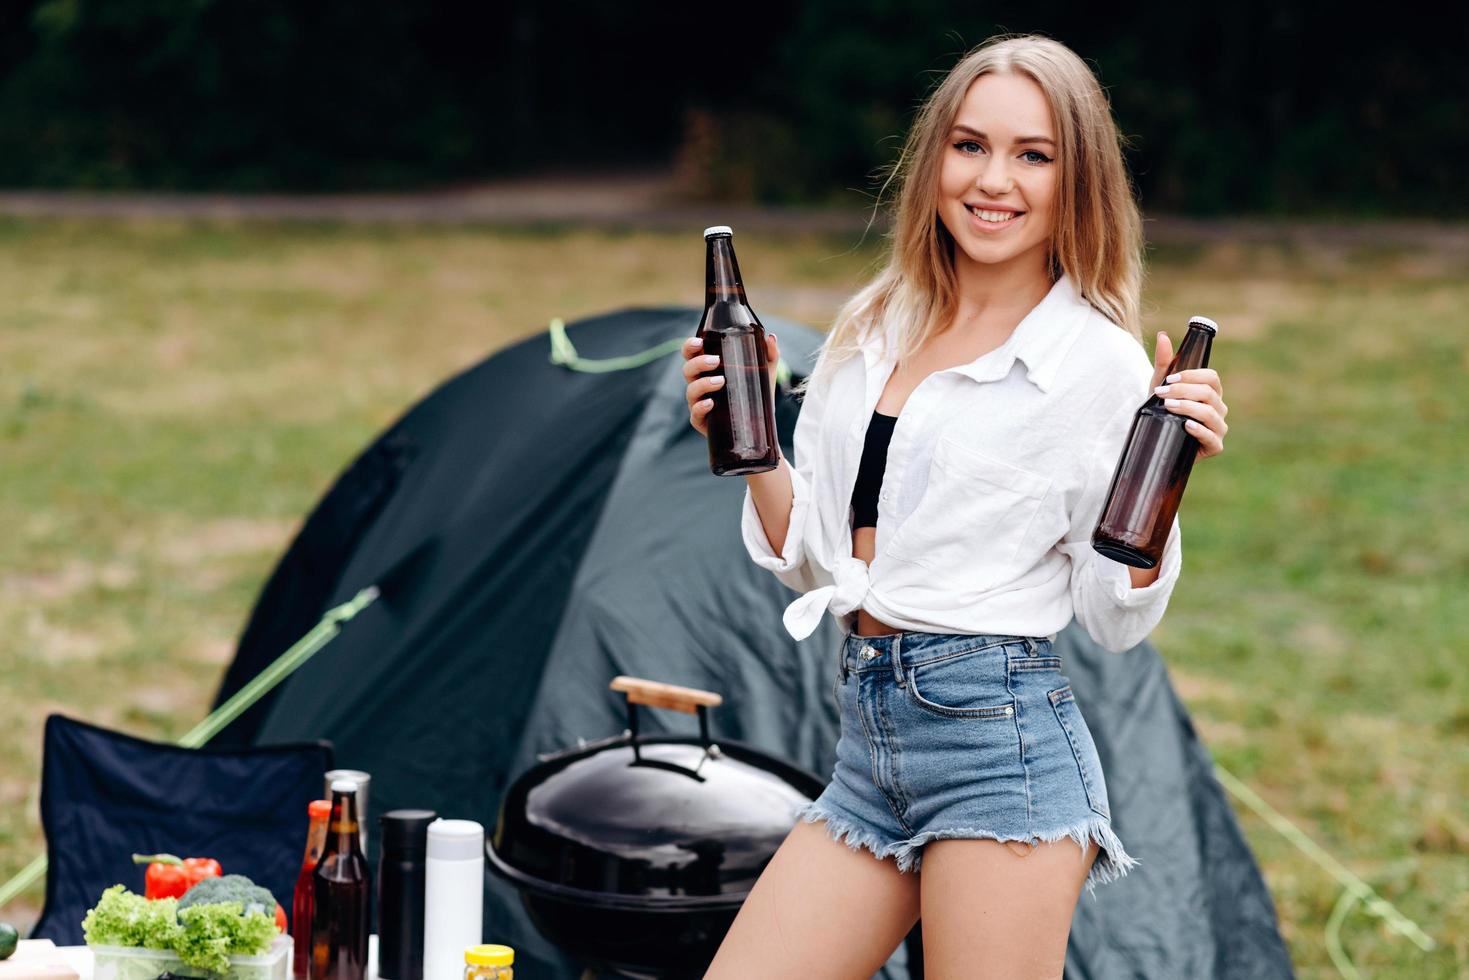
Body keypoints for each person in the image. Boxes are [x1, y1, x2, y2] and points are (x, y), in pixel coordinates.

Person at [683, 34, 1229, 980]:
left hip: (998, 747)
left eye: (1033, 155)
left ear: (1076, 181)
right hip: (869, 744)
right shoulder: (878, 321)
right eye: (970, 145)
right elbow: (816, 560)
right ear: (933, 157)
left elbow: (1112, 617)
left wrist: (1167, 483)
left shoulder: (1092, 367)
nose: (994, 180)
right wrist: (753, 444)